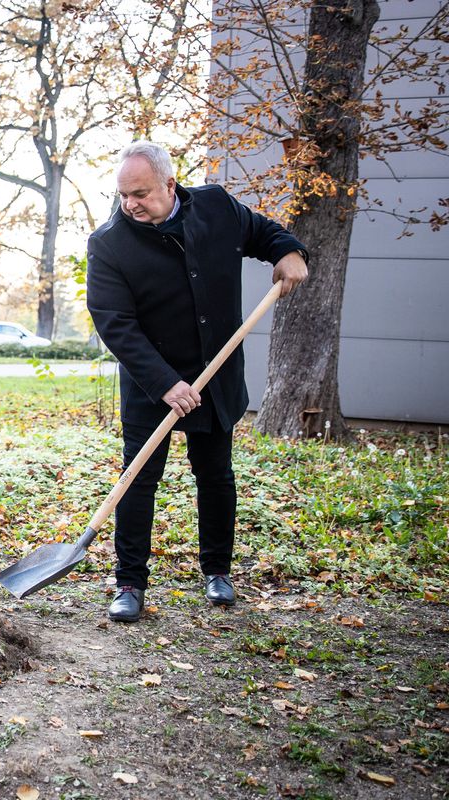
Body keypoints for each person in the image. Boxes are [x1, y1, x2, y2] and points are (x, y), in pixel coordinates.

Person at [87, 141, 308, 623]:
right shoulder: (109, 243)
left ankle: (217, 572)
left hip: (217, 376)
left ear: (170, 184)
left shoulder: (217, 208)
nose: (130, 204)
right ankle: (129, 582)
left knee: (215, 475)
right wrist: (165, 383)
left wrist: (289, 250)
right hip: (152, 383)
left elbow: (264, 232)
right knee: (138, 478)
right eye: (123, 195)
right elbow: (113, 322)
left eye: (141, 193)